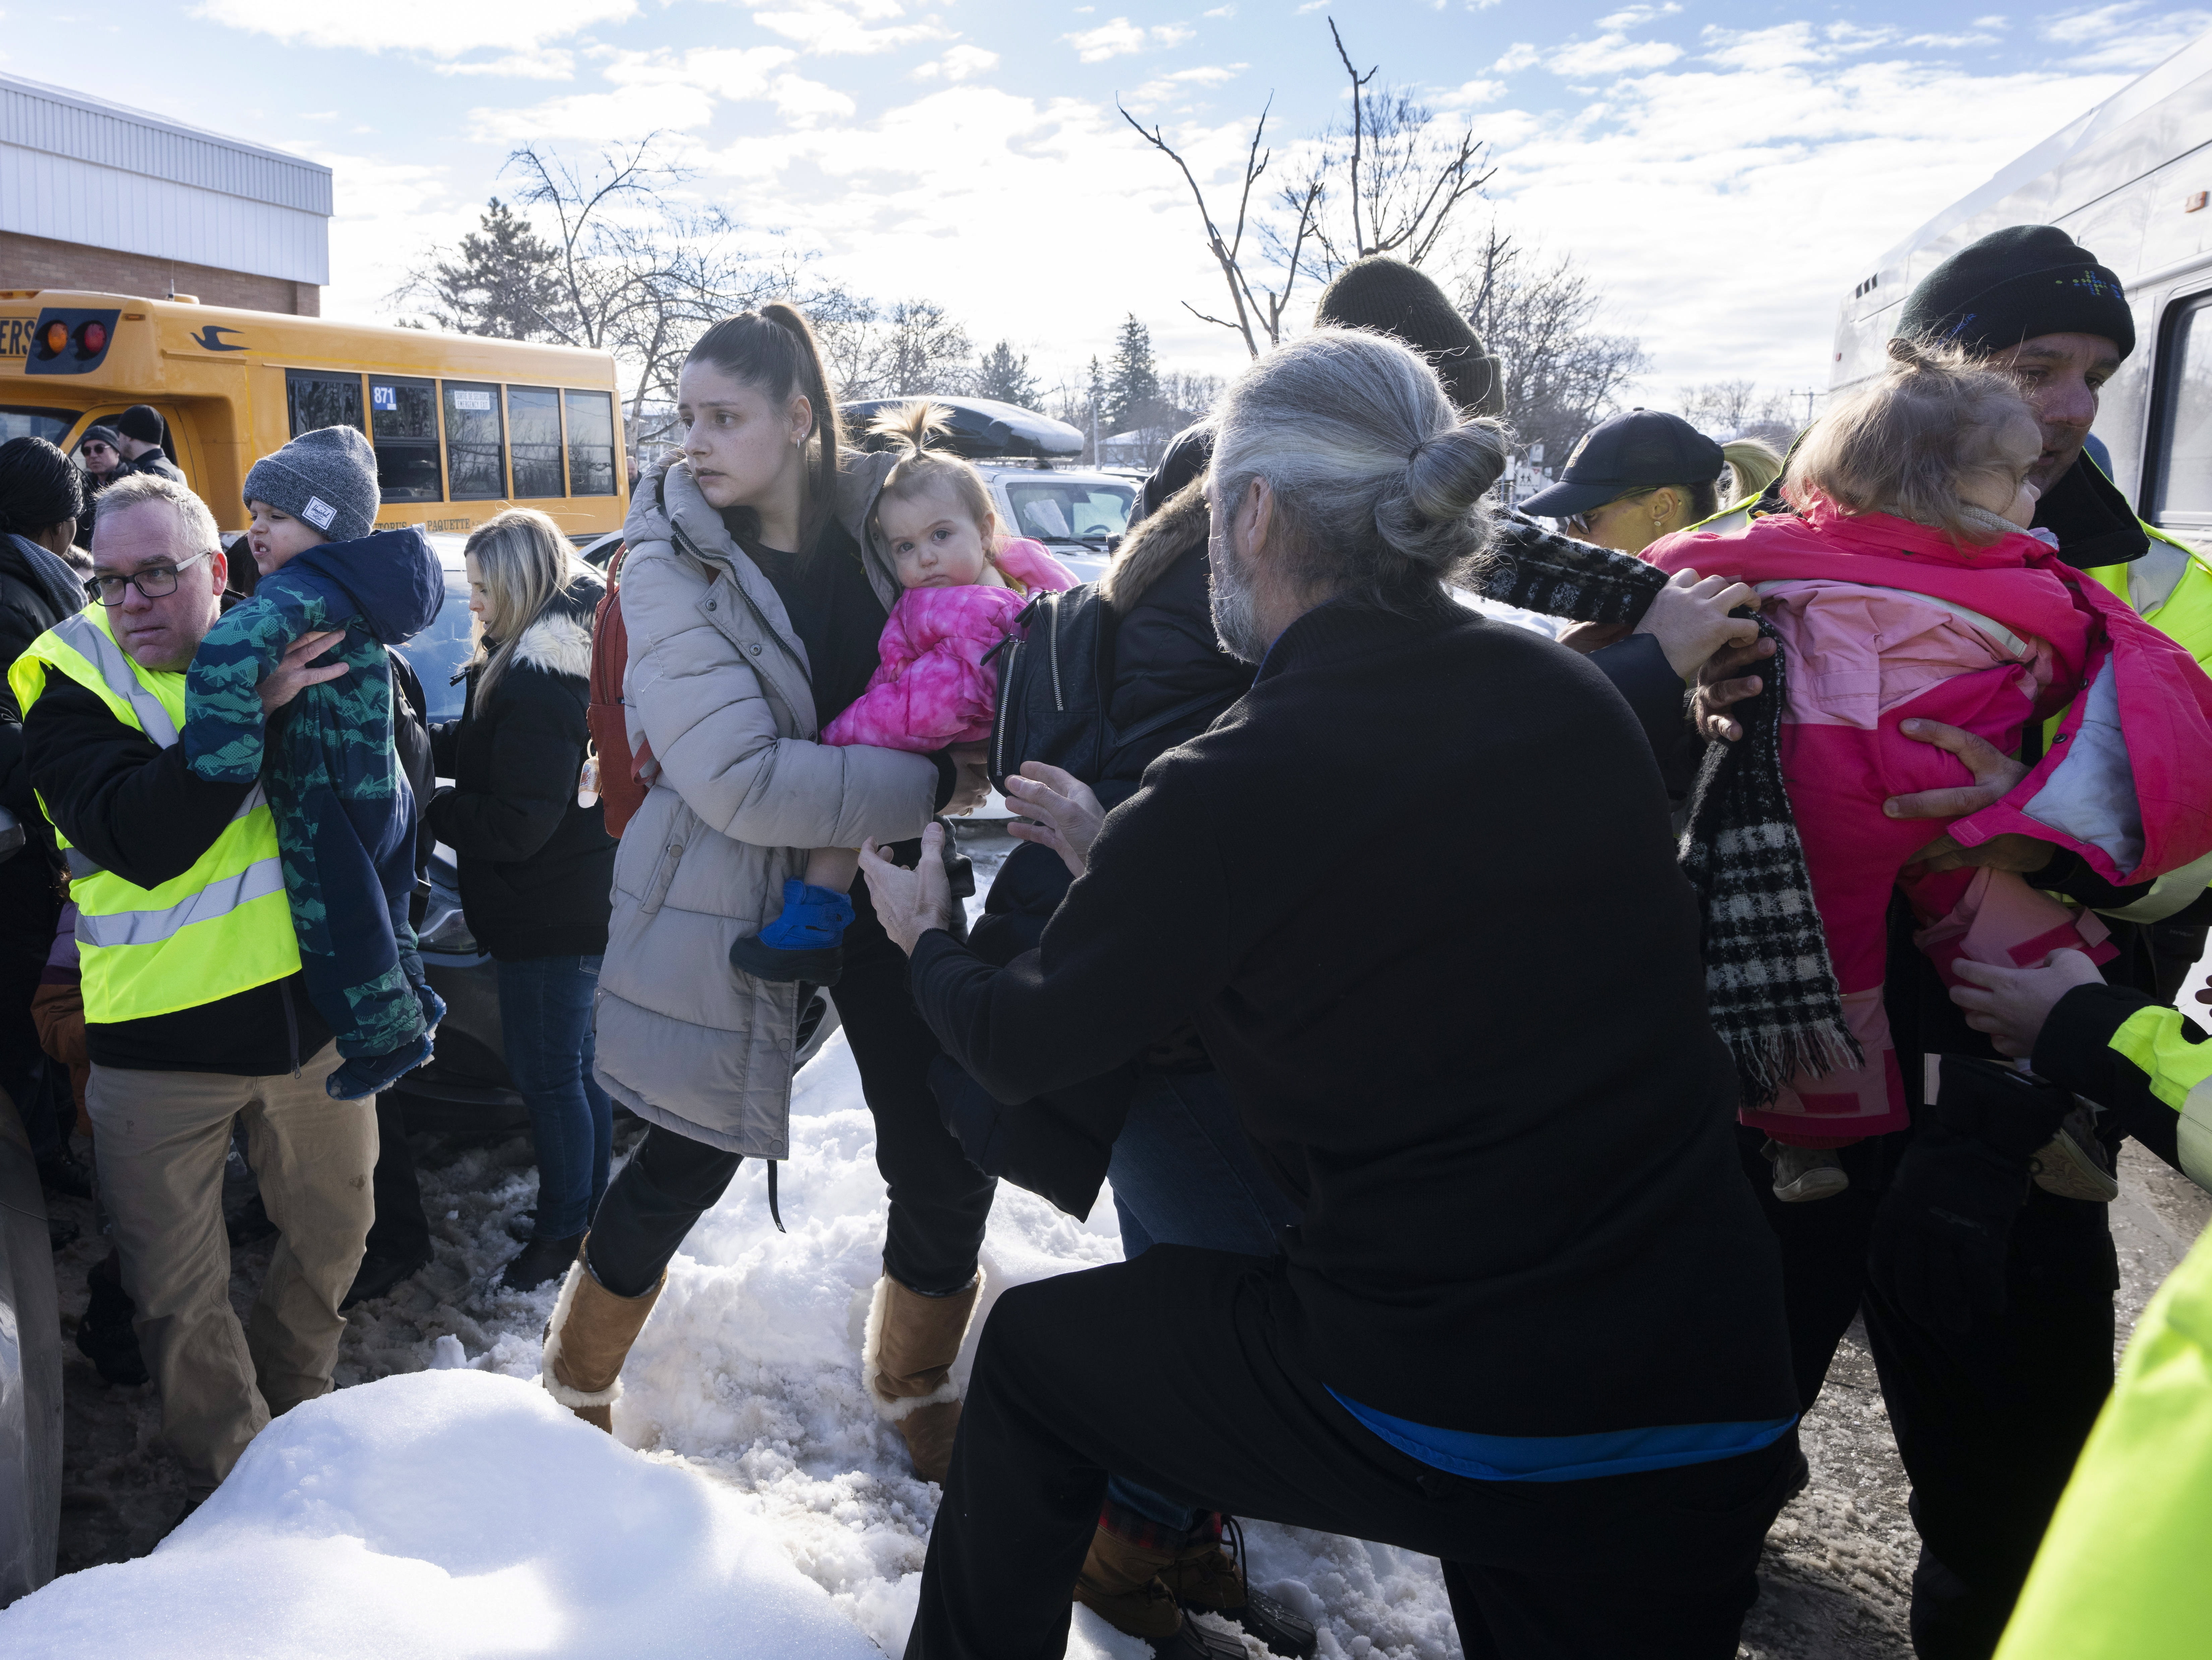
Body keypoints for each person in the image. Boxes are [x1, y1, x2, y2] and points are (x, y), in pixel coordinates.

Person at [863, 327, 1801, 1660]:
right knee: (1544, 1536)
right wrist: (1120, 854)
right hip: (1713, 1380)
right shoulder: (1575, 697)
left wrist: (925, 937)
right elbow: (1404, 917)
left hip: (1472, 1393)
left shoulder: (1247, 769)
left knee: (1037, 1357)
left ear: (1247, 511)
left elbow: (1023, 1040)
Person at [1687, 223, 2212, 1659]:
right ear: (1926, 371)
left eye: (2095, 375)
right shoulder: (1768, 539)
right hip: (1764, 1087)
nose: (2066, 408)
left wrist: (2036, 818)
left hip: (2018, 1112)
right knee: (1707, 1460)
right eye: (2033, 364)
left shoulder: (2160, 583)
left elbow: (2193, 861)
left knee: (2012, 1510)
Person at [539, 304, 996, 1485]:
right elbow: (738, 779)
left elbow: (982, 631)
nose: (696, 440)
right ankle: (576, 1380)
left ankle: (916, 1381)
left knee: (945, 1150)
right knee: (691, 1155)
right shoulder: (669, 562)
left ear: (799, 420)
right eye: (686, 416)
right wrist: (932, 779)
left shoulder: (882, 528)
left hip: (888, 885)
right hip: (730, 894)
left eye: (725, 417)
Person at [1645, 337, 2212, 1205]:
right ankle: (2062, 1089)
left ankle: (1807, 1135)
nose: (2036, 489)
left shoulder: (1786, 547)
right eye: (2017, 477)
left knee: (1831, 967)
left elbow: (1672, 571)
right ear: (1953, 489)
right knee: (2012, 934)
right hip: (1961, 809)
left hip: (1820, 798)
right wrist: (2028, 778)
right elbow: (2083, 657)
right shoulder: (2027, 578)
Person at [13, 470, 376, 1507]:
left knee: (332, 1241)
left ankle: (294, 1417)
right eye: (108, 579)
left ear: (219, 571)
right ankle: (237, 1487)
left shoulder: (298, 634)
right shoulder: (63, 674)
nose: (129, 604)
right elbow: (142, 836)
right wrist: (244, 713)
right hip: (152, 1050)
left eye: (156, 577)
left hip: (311, 1035)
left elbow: (380, 795)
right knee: (177, 1295)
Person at [732, 403, 1075, 984]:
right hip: (936, 743)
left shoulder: (973, 608)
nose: (926, 558)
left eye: (941, 535)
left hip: (920, 731)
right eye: (905, 547)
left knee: (848, 802)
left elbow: (941, 698)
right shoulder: (999, 584)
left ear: (986, 530)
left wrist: (843, 733)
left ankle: (815, 919)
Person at [182, 426, 446, 1101]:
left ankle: (384, 1042)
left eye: (275, 517)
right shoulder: (360, 591)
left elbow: (220, 658)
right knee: (385, 903)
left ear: (326, 524)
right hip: (378, 783)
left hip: (320, 782)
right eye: (252, 517)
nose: (255, 533)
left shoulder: (297, 589)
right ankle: (416, 1000)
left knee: (338, 920)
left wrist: (226, 762)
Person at [424, 508, 617, 1292]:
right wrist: (419, 744)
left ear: (520, 585)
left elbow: (517, 822)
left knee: (552, 1080)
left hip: (549, 916)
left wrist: (429, 806)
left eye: (481, 589)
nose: (471, 604)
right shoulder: (543, 654)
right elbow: (488, 748)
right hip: (573, 903)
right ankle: (588, 1211)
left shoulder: (539, 680)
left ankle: (566, 1230)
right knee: (579, 1070)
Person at [0, 439, 93, 1195]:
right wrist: (72, 797)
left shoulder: (29, 586)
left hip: (33, 845)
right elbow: (16, 737)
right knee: (31, 1015)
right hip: (26, 851)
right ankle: (38, 1166)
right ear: (61, 527)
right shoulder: (20, 597)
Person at [1521, 408, 1781, 552]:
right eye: (1569, 519)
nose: (1571, 535)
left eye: (1588, 516)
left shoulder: (1718, 613)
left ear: (1663, 507)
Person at [73, 424, 126, 552]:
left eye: (99, 449)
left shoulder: (131, 482)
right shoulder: (83, 486)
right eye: (87, 451)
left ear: (117, 452)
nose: (93, 455)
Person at [113, 405, 185, 485]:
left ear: (128, 436)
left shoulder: (151, 474)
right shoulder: (172, 469)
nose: (118, 440)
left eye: (120, 434)